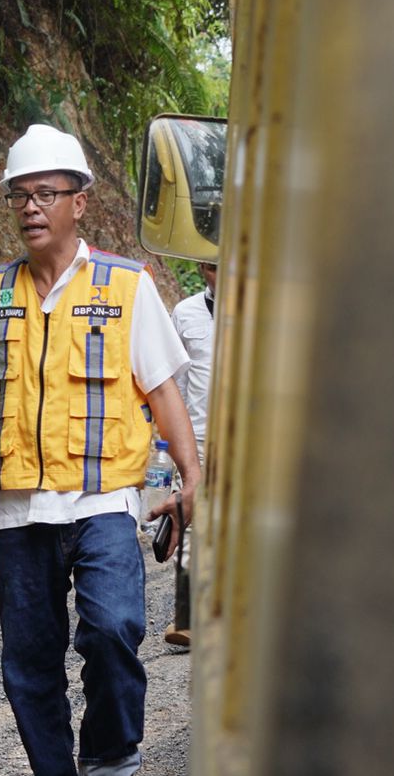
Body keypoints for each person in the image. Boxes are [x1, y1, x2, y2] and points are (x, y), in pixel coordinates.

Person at [0, 124, 201, 776]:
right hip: (19, 512)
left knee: (114, 630)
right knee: (29, 665)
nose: (31, 207)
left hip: (104, 500)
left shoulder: (127, 286)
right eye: (20, 196)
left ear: (78, 202)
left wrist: (191, 474)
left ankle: (111, 760)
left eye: (46, 193)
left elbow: (164, 391)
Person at [165, 261, 216, 649]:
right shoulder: (185, 313)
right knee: (193, 523)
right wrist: (171, 446)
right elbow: (175, 383)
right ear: (202, 268)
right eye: (213, 267)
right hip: (198, 438)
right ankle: (187, 618)